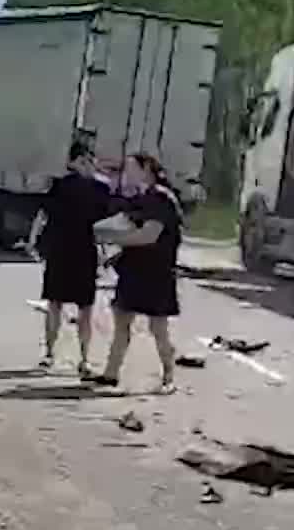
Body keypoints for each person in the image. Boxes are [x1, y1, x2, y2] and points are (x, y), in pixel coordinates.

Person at [90, 152, 184, 394]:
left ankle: (169, 377)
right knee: (122, 321)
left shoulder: (161, 199)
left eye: (132, 168)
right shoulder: (140, 199)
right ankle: (111, 373)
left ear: (147, 169)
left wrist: (112, 237)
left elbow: (149, 235)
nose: (127, 174)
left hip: (156, 273)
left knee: (158, 328)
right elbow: (126, 222)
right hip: (134, 271)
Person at [30, 142, 110, 376]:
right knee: (85, 308)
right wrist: (107, 252)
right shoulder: (100, 189)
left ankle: (49, 354)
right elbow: (106, 226)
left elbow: (42, 215)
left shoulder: (59, 186)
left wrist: (32, 242)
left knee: (55, 304)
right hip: (85, 253)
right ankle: (84, 360)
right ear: (83, 160)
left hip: (59, 251)